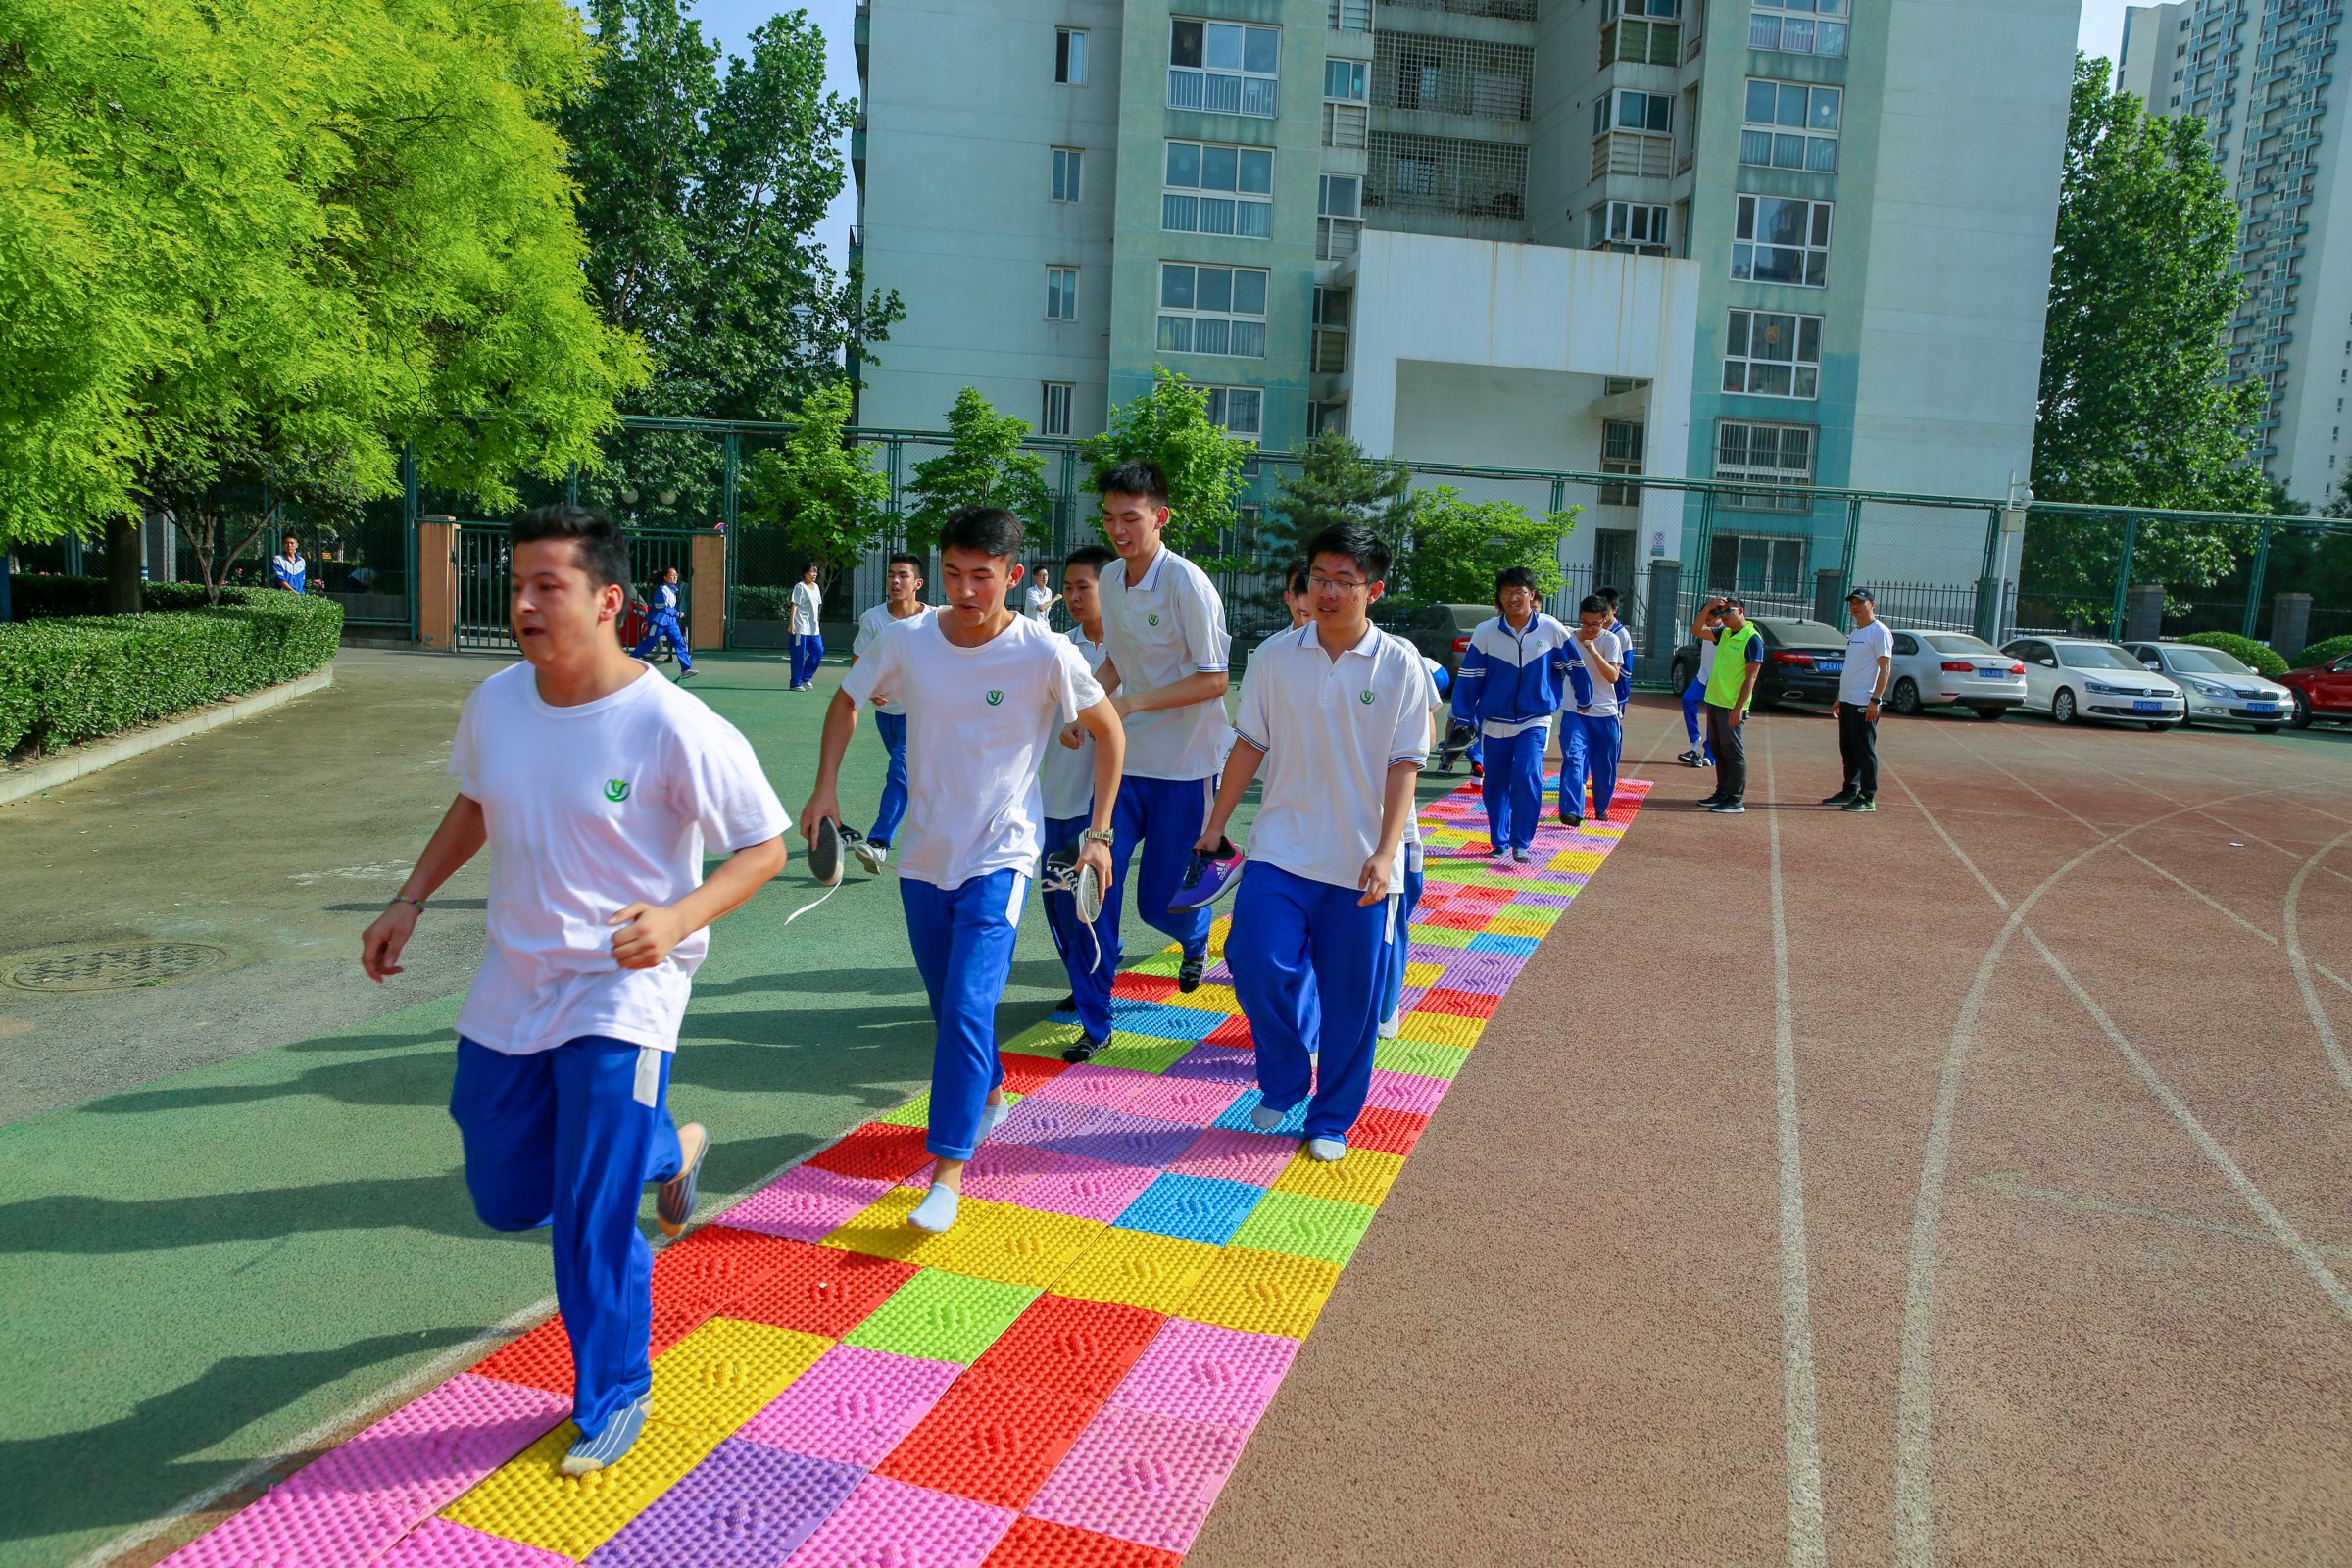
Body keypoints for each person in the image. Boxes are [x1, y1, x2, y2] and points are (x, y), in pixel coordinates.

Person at [360, 505, 787, 1475]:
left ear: (607, 601)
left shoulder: (672, 722)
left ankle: (616, 1390)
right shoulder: (497, 702)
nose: (524, 603)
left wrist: (677, 918)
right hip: (515, 979)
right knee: (507, 1195)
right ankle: (668, 1147)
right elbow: (476, 800)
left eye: (546, 586)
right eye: (517, 585)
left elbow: (762, 847)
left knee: (591, 1212)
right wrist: (408, 899)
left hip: (625, 988)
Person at [800, 506, 1123, 1233]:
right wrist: (825, 788)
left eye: (982, 575)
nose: (966, 589)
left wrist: (1098, 833)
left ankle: (946, 1171)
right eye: (953, 574)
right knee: (949, 1006)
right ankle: (991, 1090)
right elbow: (848, 699)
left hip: (1002, 856)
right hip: (923, 857)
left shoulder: (1045, 652)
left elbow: (1110, 733)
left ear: (1014, 576)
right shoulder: (907, 640)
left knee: (971, 1007)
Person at [1200, 524, 1428, 1160]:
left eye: (1343, 582)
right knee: (1253, 959)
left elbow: (1404, 764)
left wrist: (1387, 851)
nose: (1327, 592)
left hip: (1360, 862)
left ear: (1373, 590)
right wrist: (1216, 824)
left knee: (1351, 1000)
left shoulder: (1399, 664)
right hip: (1282, 849)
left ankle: (1330, 1120)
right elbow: (1250, 743)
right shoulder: (1275, 656)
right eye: (1319, 579)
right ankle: (1284, 1077)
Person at [1087, 459, 1233, 993]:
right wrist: (1087, 706)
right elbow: (1119, 659)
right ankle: (1096, 984)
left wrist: (1131, 705)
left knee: (1158, 904)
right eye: (1109, 518)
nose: (1119, 530)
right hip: (1124, 762)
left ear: (1160, 517)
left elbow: (1215, 680)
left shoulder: (1187, 583)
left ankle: (1195, 935)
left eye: (1131, 518)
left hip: (1184, 765)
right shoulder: (1110, 577)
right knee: (1095, 875)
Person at [1040, 545, 1120, 1058]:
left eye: (1082, 587)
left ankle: (1096, 1016)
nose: (1072, 596)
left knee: (1090, 908)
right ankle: (1084, 976)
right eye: (1067, 588)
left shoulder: (1128, 653)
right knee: (1058, 903)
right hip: (1054, 799)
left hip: (1100, 808)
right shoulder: (1054, 648)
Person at [1447, 566, 1573, 864]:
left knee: (1527, 774)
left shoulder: (1552, 629)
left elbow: (1575, 665)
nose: (1513, 597)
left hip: (1535, 718)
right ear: (1499, 597)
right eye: (1507, 592)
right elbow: (1470, 676)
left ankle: (1521, 842)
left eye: (1520, 592)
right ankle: (1499, 841)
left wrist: (1585, 695)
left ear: (1532, 594)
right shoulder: (1485, 632)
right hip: (1495, 720)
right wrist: (1464, 715)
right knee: (1495, 783)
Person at [848, 554, 935, 871]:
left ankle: (878, 843)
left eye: (903, 575)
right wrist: (870, 690)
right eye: (891, 575)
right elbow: (858, 662)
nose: (895, 581)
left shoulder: (936, 620)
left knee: (900, 771)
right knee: (913, 777)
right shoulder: (873, 618)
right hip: (887, 714)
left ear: (918, 583)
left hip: (923, 714)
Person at [1378, 651, 1447, 1039]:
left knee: (1391, 916)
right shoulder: (1281, 654)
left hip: (1389, 826)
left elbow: (1426, 738)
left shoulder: (1399, 654)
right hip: (1310, 829)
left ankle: (1385, 1007)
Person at [1824, 587, 1893, 812]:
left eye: (1860, 602)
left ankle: (1867, 796)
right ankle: (1850, 790)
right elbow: (1852, 668)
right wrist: (1839, 698)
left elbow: (1885, 669)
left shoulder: (1879, 632)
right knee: (1848, 748)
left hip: (1865, 702)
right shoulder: (1855, 634)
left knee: (1864, 750)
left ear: (1871, 605)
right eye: (1852, 603)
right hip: (1848, 700)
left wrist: (1876, 700)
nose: (1854, 607)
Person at [1559, 594, 1625, 830]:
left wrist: (1594, 652)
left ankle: (1601, 805)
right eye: (1584, 623)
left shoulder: (1611, 641)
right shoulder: (1568, 638)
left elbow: (1613, 676)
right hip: (1574, 711)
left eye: (1594, 624)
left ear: (1605, 619)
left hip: (1605, 714)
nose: (1588, 629)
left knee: (1604, 765)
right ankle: (1571, 810)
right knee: (1573, 758)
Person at [1695, 595, 1763, 814]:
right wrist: (1709, 606)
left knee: (1733, 751)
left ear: (1741, 611)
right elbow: (1697, 630)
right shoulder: (1724, 633)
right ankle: (1722, 792)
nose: (1723, 616)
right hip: (1715, 700)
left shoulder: (1752, 639)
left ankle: (1735, 799)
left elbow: (1751, 677)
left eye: (1728, 611)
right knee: (1718, 748)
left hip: (1731, 705)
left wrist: (1738, 708)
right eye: (1721, 612)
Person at [629, 565, 697, 680]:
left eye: (676, 575)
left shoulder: (672, 589)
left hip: (670, 623)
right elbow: (661, 607)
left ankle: (685, 670)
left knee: (680, 642)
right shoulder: (662, 590)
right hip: (658, 622)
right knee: (648, 644)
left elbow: (670, 606)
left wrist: (675, 614)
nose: (675, 577)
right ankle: (628, 664)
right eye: (672, 575)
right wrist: (676, 613)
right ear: (665, 577)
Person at [1678, 599, 1721, 769]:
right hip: (1703, 677)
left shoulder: (1722, 632)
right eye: (1705, 619)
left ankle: (1710, 755)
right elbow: (1696, 629)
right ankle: (1695, 743)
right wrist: (1708, 606)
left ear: (1720, 617)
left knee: (1713, 716)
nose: (1706, 624)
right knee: (1687, 699)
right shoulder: (1705, 629)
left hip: (1717, 682)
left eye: (1709, 620)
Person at [788, 562, 824, 691]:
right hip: (800, 627)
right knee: (798, 656)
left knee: (818, 652)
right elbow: (794, 605)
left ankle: (805, 678)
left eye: (816, 571)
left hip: (814, 629)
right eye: (812, 571)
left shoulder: (816, 587)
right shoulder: (800, 587)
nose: (814, 574)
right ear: (804, 573)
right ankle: (795, 683)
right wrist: (792, 624)